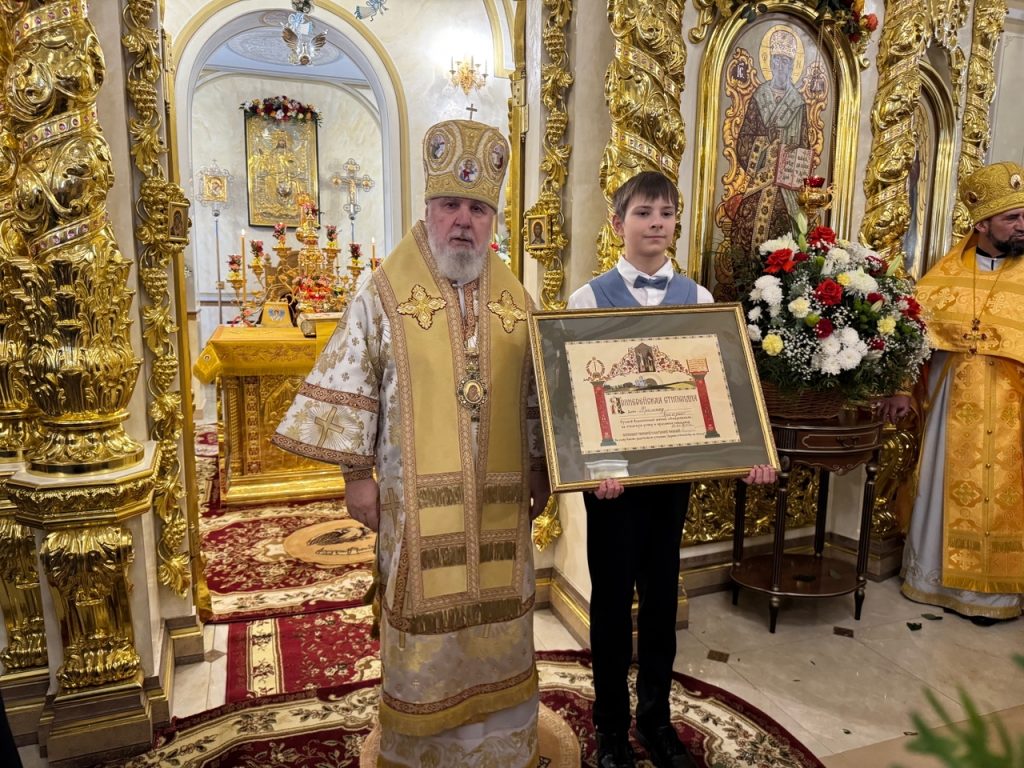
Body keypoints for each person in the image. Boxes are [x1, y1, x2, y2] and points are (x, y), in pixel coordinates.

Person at [273, 119, 549, 766]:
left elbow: (533, 395)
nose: (463, 222)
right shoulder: (385, 292)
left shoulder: (516, 299)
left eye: (478, 210)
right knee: (421, 615)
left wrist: (540, 467)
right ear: (428, 208)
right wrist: (355, 477)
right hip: (413, 511)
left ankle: (501, 747)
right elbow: (353, 380)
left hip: (500, 507)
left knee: (500, 612)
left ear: (492, 220)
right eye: (450, 205)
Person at [568, 171, 776, 768]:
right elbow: (573, 397)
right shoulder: (587, 299)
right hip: (612, 483)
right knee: (611, 603)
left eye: (665, 213)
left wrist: (746, 453)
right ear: (618, 223)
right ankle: (611, 728)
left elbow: (724, 385)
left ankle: (656, 720)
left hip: (672, 477)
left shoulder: (700, 299)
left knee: (661, 600)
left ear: (675, 222)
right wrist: (593, 468)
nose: (655, 223)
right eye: (642, 213)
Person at [881, 161, 1024, 625]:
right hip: (950, 406)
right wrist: (901, 388)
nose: (1022, 225)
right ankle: (933, 582)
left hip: (1012, 409)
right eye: (1012, 217)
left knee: (1004, 497)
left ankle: (995, 596)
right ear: (981, 224)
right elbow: (913, 336)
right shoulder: (943, 277)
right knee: (942, 489)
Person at [724, 27, 811, 257]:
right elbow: (744, 138)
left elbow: (805, 146)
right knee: (744, 221)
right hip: (760, 178)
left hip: (786, 186)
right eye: (777, 61)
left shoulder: (798, 103)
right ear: (770, 63)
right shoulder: (759, 96)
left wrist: (790, 154)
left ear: (792, 67)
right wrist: (766, 144)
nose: (781, 66)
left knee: (789, 226)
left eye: (786, 62)